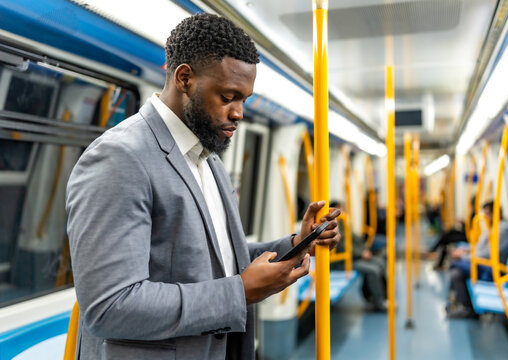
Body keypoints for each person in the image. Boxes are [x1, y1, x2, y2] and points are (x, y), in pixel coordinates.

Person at [65, 14, 340, 360]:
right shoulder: (119, 158)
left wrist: (296, 245)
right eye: (228, 96)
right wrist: (238, 293)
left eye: (244, 100)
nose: (239, 113)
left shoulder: (209, 161)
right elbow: (110, 307)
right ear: (184, 78)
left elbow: (219, 261)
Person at [446, 201, 508, 318]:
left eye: (487, 213)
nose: (485, 217)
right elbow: (480, 247)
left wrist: (464, 256)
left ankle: (467, 308)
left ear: (495, 213)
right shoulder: (493, 227)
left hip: (493, 268)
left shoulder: (503, 230)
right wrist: (466, 250)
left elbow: (489, 254)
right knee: (456, 270)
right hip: (485, 264)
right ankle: (459, 302)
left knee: (456, 270)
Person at [330, 201, 387, 312]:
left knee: (380, 263)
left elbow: (355, 239)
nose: (342, 212)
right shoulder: (333, 227)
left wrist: (364, 250)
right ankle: (378, 303)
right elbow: (341, 247)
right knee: (373, 270)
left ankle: (373, 295)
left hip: (351, 258)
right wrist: (361, 254)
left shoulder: (342, 223)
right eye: (339, 210)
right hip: (339, 262)